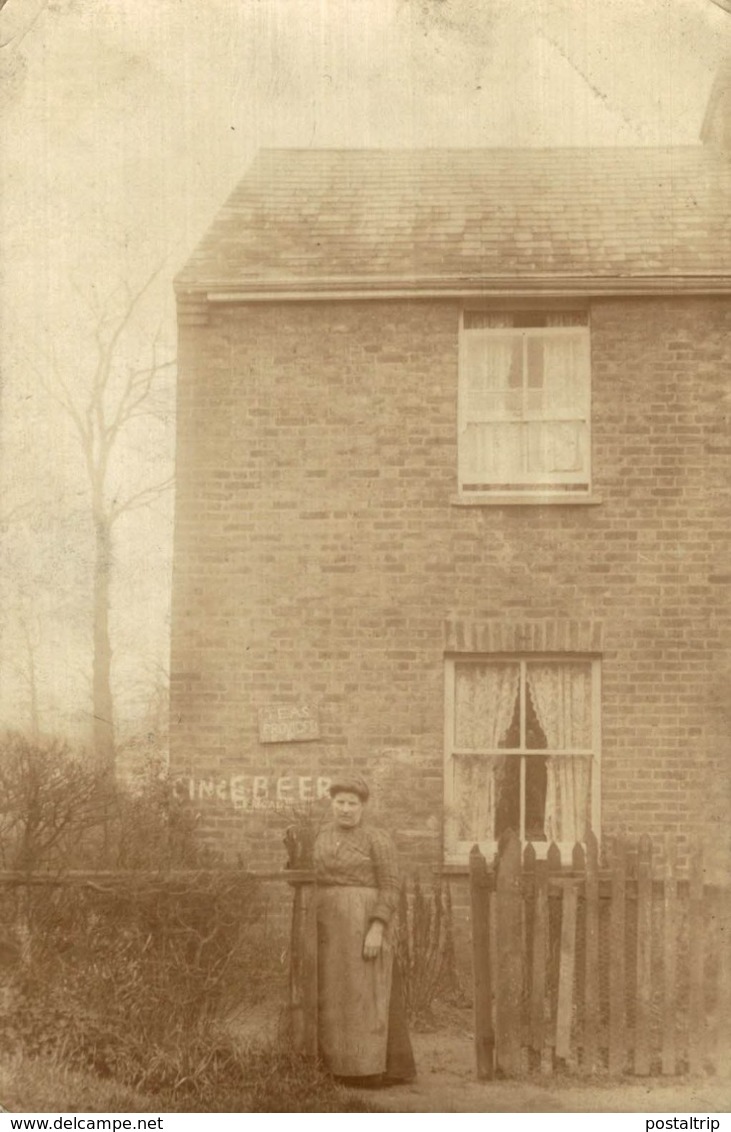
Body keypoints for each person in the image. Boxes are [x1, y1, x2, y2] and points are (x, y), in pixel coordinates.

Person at [313, 774, 416, 1086]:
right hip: (331, 930)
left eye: (352, 804)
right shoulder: (322, 836)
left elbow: (390, 886)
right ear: (332, 804)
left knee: (367, 998)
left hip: (364, 927)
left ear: (363, 807)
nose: (346, 809)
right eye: (340, 803)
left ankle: (369, 1069)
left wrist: (377, 927)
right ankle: (335, 1065)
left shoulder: (377, 839)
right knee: (335, 997)